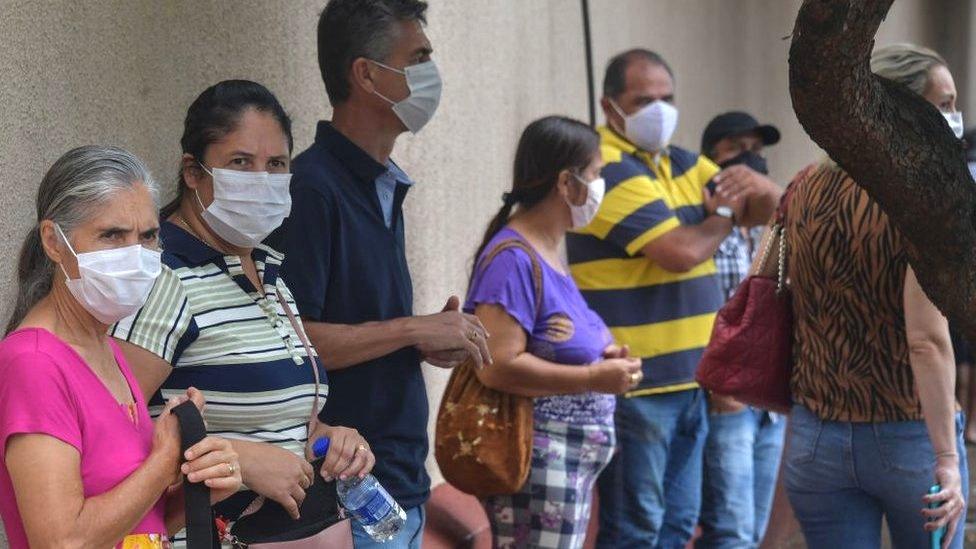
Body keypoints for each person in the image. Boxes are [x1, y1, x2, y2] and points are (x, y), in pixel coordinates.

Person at [111, 80, 374, 544]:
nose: (262, 179)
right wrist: (236, 458)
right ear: (193, 172)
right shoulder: (164, 279)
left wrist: (329, 438)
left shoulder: (268, 271)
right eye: (240, 163)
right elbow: (109, 430)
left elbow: (276, 420)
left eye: (276, 164)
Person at [272, 2, 491, 547]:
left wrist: (420, 341)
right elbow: (293, 342)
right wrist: (412, 330)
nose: (430, 74)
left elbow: (356, 326)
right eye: (417, 58)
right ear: (366, 74)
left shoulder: (381, 182)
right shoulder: (312, 189)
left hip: (398, 483)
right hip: (348, 491)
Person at [565, 49, 773, 548]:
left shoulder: (681, 162)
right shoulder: (605, 168)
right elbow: (679, 251)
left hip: (691, 379)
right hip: (637, 384)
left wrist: (760, 185)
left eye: (667, 98)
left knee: (676, 524)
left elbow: (762, 209)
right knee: (635, 528)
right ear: (609, 106)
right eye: (643, 100)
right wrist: (721, 217)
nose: (658, 110)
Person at [0, 146, 241, 548]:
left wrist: (202, 487)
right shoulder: (34, 362)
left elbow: (141, 521)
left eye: (147, 236)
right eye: (112, 235)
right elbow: (63, 541)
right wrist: (163, 463)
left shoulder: (104, 347)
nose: (135, 254)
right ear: (53, 242)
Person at [783, 43, 968, 548]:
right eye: (945, 103)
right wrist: (947, 460)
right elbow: (926, 342)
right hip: (910, 432)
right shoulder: (922, 199)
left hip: (816, 435)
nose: (955, 116)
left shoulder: (805, 186)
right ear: (901, 107)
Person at [467, 116, 642, 548]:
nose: (601, 186)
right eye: (597, 174)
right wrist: (592, 378)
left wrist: (604, 361)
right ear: (567, 182)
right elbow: (497, 366)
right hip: (539, 465)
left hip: (566, 468)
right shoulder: (513, 258)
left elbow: (555, 344)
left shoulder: (547, 250)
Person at [696, 111, 785, 548]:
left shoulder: (772, 229)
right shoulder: (704, 226)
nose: (750, 158)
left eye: (756, 148)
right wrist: (720, 387)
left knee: (757, 528)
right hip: (727, 397)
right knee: (731, 530)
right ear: (711, 159)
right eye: (736, 149)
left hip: (769, 404)